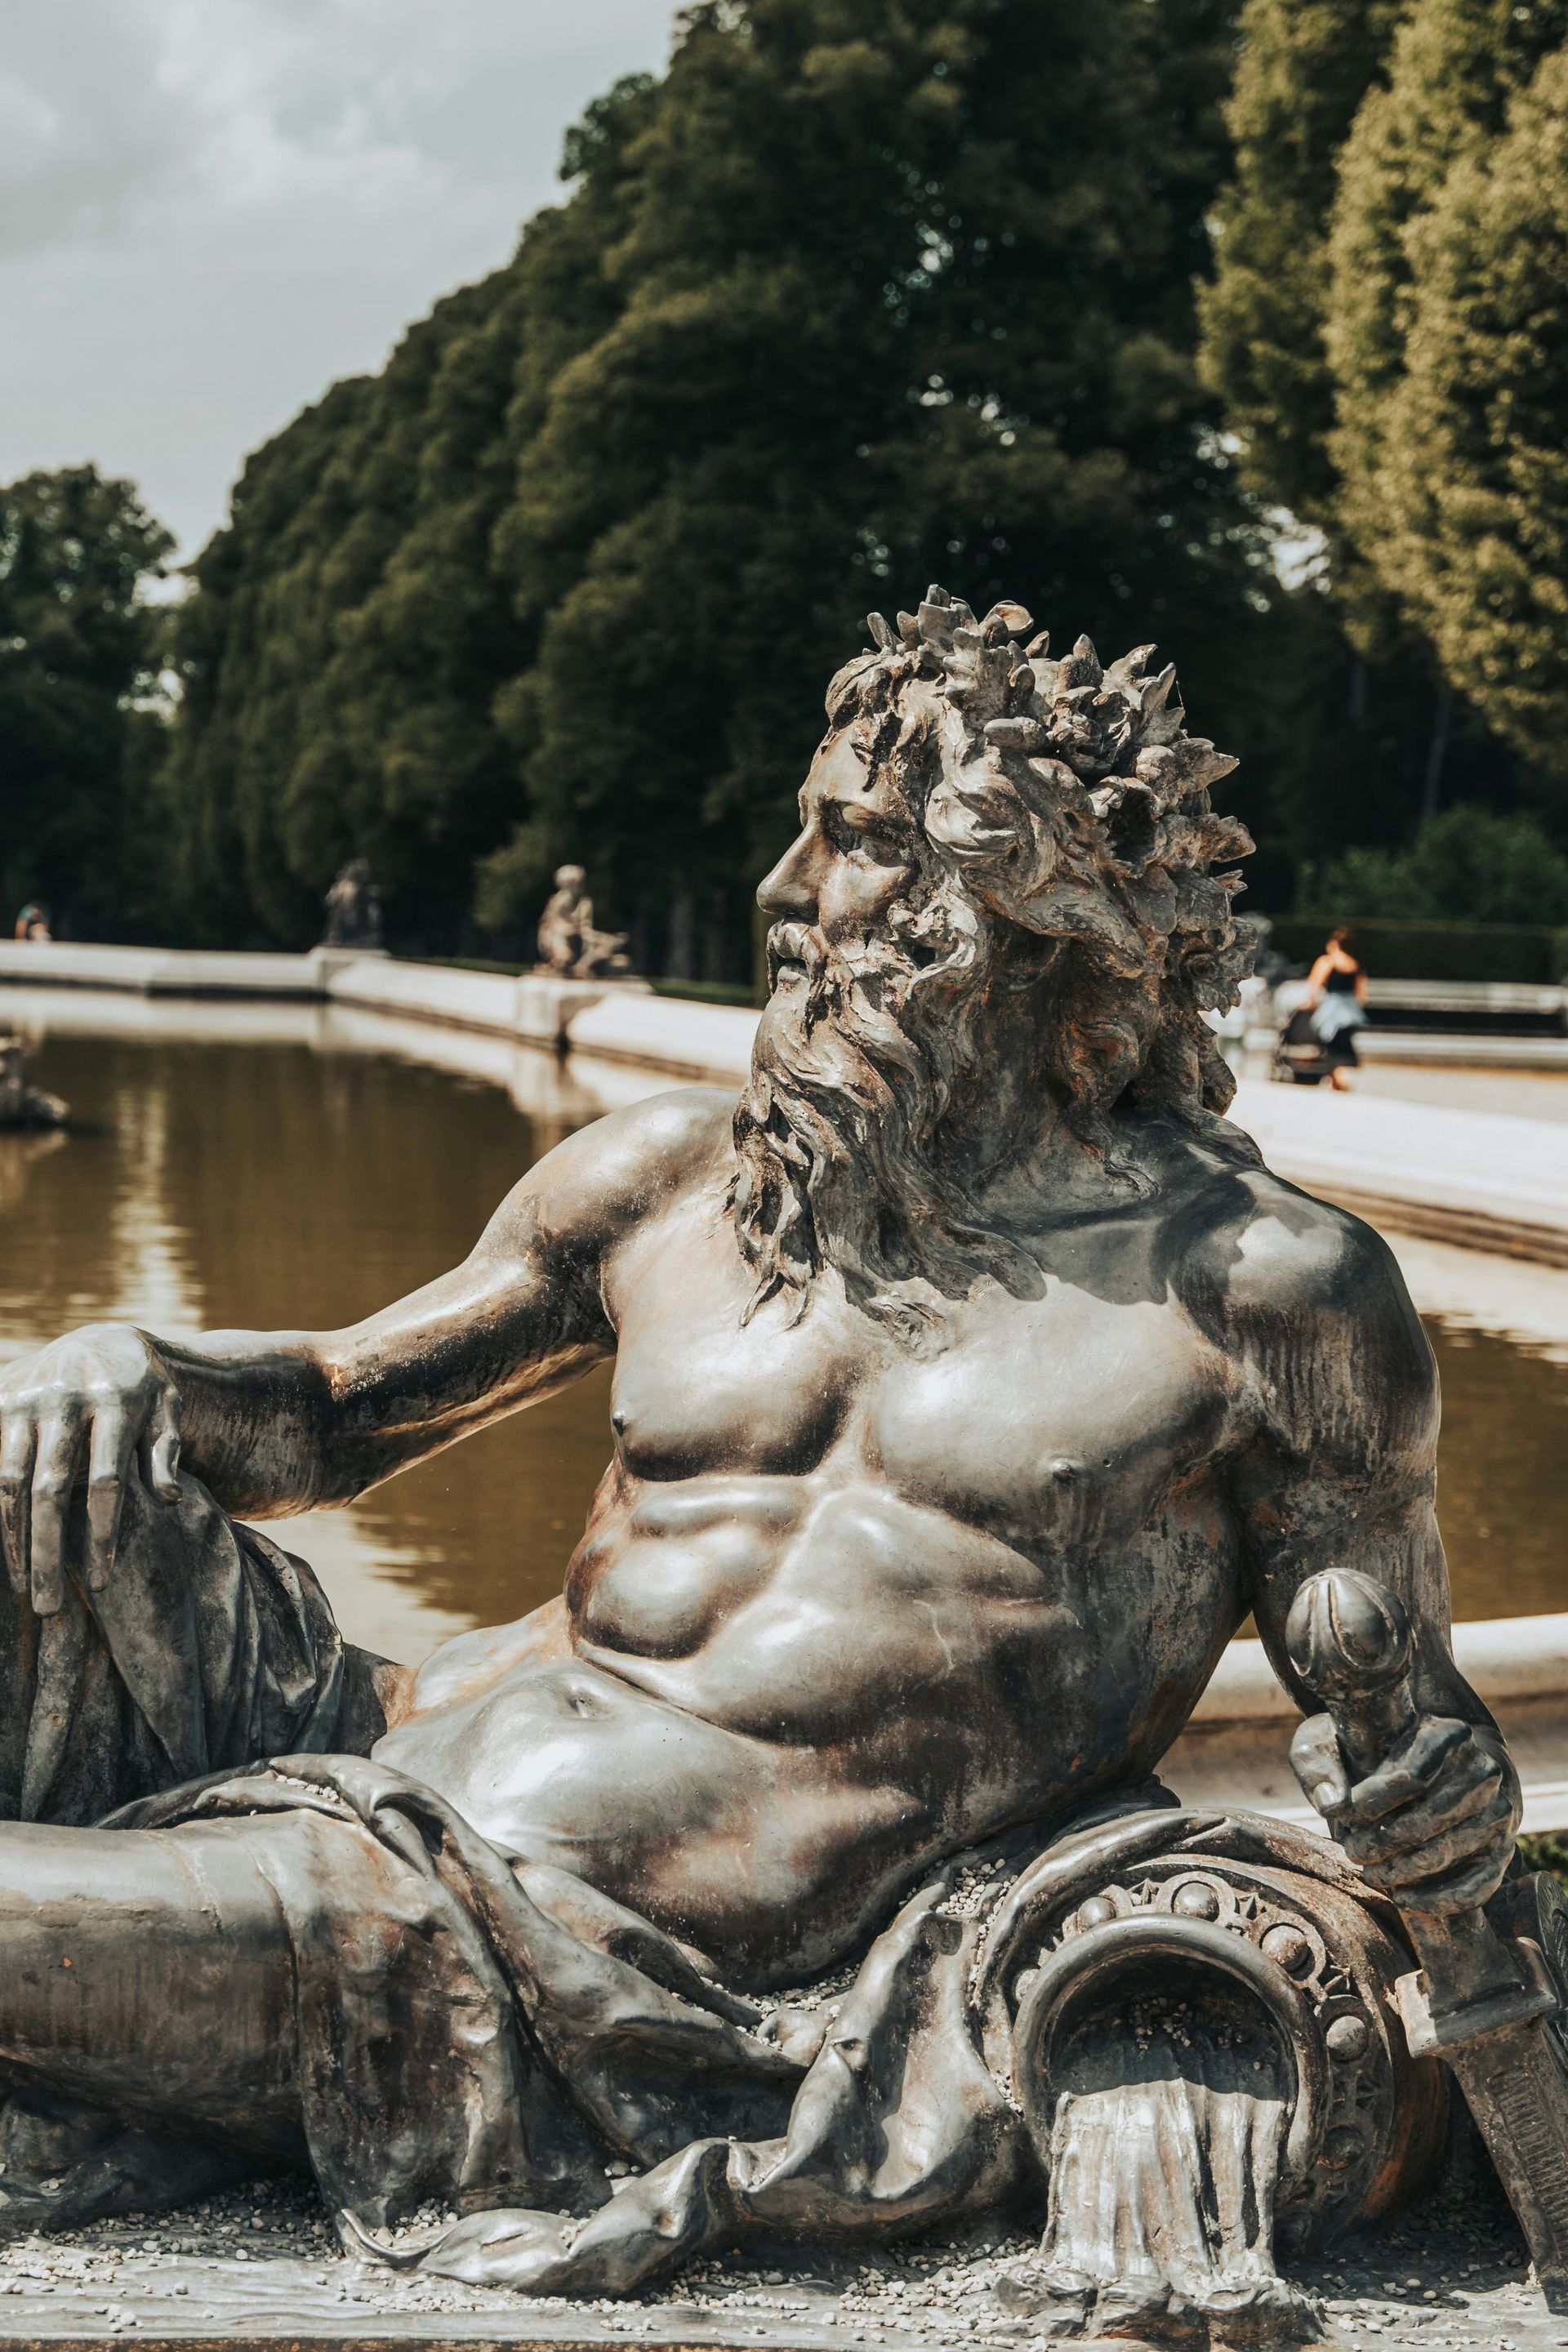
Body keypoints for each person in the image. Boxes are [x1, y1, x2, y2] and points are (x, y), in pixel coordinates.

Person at [0, 593, 1515, 2305]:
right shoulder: (672, 1179)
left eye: (854, 843)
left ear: (1037, 908)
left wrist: (1438, 1796)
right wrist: (125, 1367)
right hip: (363, 1750)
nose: (785, 897)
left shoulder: (1268, 1296)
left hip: (548, 1955)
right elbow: (336, 1417)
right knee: (27, 1474)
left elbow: (1408, 1716)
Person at [1304, 924, 1369, 1091]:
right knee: (1342, 1045)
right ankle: (1339, 1081)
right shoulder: (1355, 964)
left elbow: (1314, 986)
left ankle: (1339, 1080)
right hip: (1349, 1012)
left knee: (1329, 1046)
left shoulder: (1327, 961)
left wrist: (1311, 1004)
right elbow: (1362, 996)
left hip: (1332, 1010)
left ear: (1333, 942)